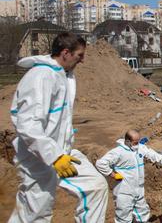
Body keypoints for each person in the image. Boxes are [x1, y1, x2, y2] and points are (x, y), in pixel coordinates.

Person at [8, 32, 109, 222]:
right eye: (79, 55)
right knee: (35, 215)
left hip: (63, 152)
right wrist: (54, 156)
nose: (83, 60)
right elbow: (28, 125)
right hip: (37, 159)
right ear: (65, 53)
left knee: (95, 187)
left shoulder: (63, 75)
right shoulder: (41, 77)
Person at [96, 130, 162, 223]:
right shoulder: (118, 152)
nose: (137, 144)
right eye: (135, 142)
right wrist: (113, 174)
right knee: (123, 216)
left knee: (142, 212)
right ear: (127, 141)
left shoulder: (140, 148)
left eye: (138, 142)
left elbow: (153, 155)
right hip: (124, 191)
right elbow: (100, 163)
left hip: (138, 189)